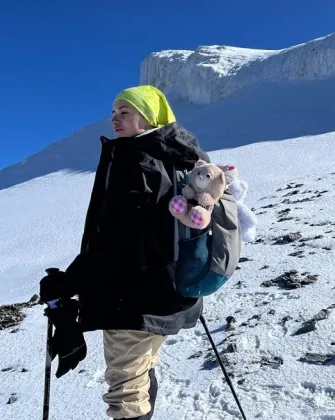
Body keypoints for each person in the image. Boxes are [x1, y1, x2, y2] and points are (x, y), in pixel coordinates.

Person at [38, 85, 210, 420]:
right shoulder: (178, 157)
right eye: (114, 112)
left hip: (131, 298)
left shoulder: (134, 159)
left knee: (125, 394)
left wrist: (70, 283)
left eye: (125, 112)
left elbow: (116, 239)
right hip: (171, 291)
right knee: (142, 373)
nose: (114, 119)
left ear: (147, 118)